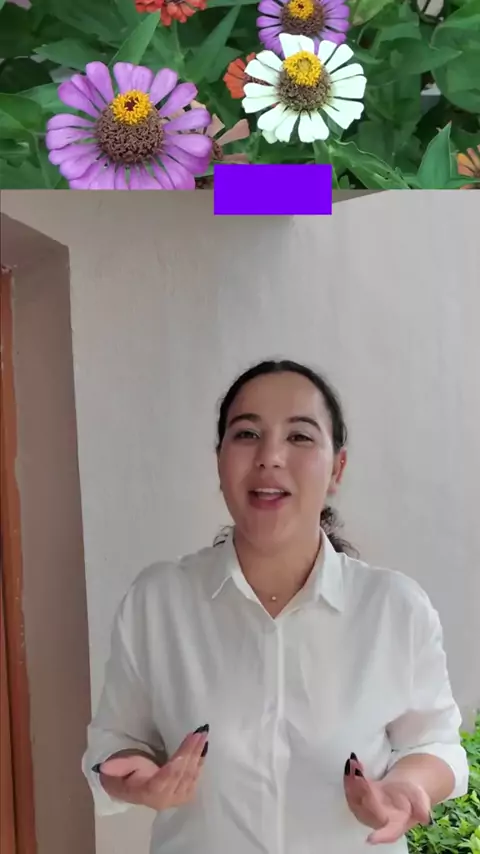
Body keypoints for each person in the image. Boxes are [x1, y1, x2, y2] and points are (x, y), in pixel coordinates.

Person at [83, 359, 469, 854]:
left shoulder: (395, 608)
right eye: (246, 434)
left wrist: (406, 786)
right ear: (219, 460)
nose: (270, 457)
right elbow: (115, 741)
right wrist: (131, 777)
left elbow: (436, 744)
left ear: (337, 468)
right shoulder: (158, 602)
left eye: (300, 436)